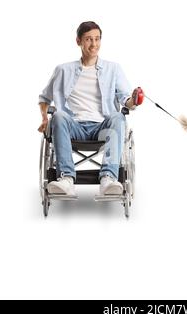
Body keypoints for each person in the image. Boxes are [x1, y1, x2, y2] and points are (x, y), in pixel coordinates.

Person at [38, 21, 142, 196]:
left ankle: (108, 178)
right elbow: (44, 98)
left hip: (102, 127)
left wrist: (134, 99)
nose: (94, 44)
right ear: (78, 41)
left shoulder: (113, 69)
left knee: (118, 116)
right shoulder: (63, 70)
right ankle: (66, 179)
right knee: (59, 115)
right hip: (73, 127)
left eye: (97, 39)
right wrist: (44, 118)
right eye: (88, 39)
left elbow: (126, 100)